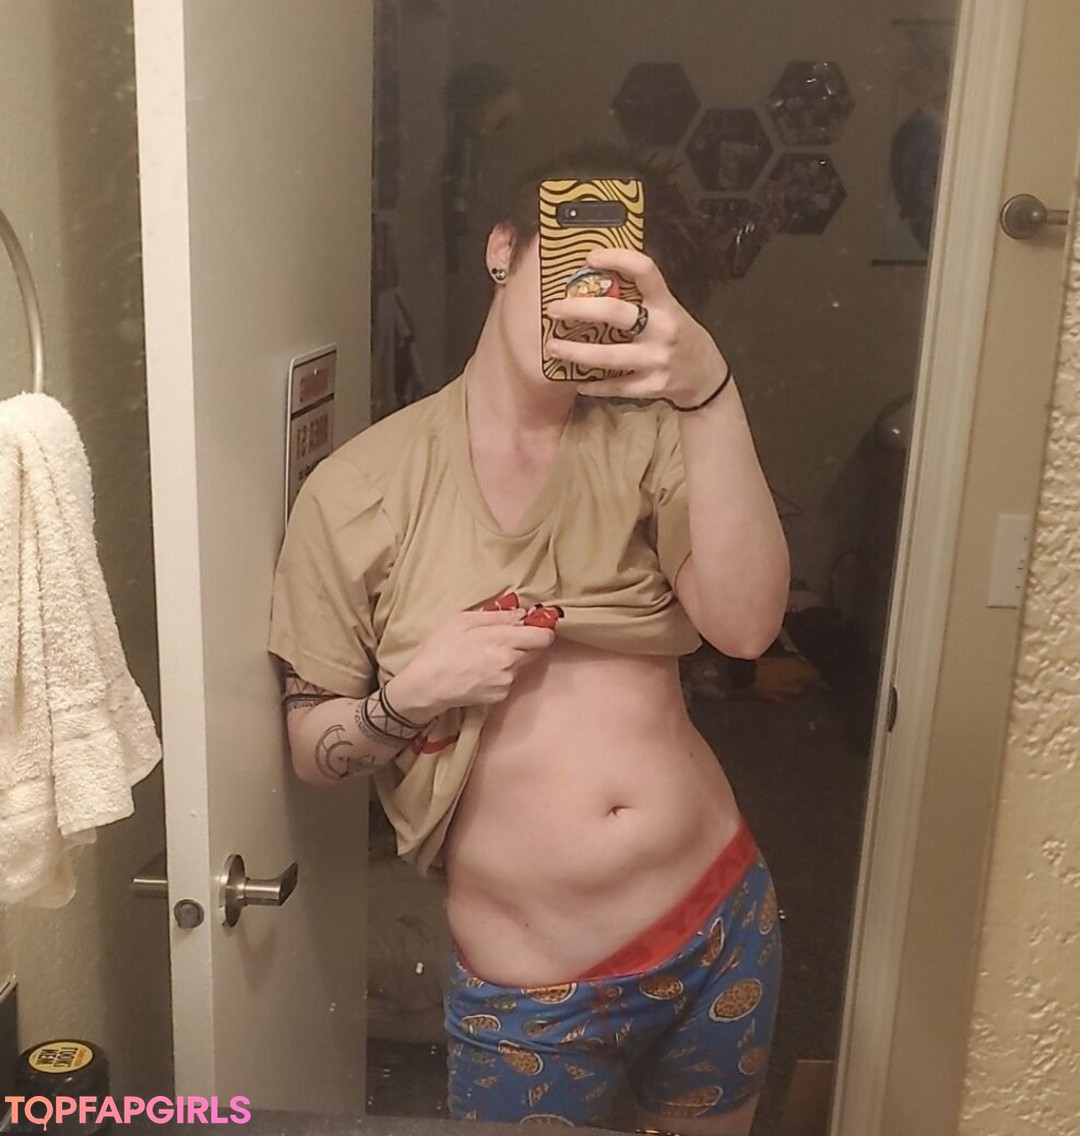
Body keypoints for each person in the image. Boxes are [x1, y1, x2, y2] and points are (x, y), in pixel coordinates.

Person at [269, 145, 789, 1135]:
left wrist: (708, 392)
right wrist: (411, 694)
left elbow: (748, 625)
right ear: (503, 250)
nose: (587, 301)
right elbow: (309, 745)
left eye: (621, 286)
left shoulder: (652, 437)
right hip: (530, 986)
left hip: (720, 915)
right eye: (571, 265)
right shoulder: (359, 489)